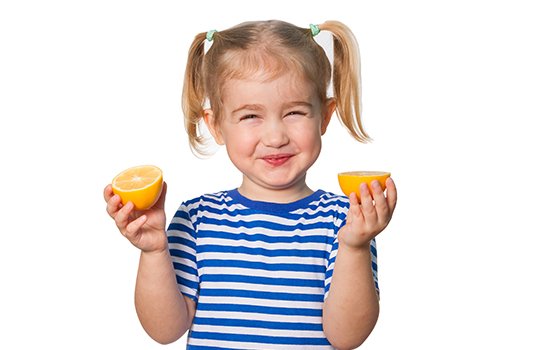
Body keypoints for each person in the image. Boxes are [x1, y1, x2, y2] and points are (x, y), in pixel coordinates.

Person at [104, 20, 397, 350]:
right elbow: (164, 330)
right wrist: (155, 252)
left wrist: (355, 247)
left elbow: (347, 337)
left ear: (325, 117)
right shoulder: (196, 219)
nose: (275, 137)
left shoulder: (346, 221)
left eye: (295, 113)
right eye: (250, 116)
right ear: (216, 125)